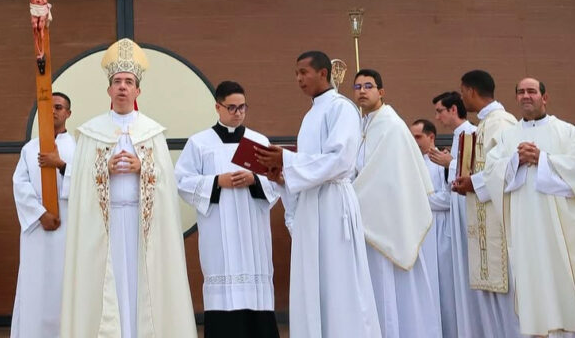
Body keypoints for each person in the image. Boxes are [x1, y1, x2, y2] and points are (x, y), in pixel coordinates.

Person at [61, 38, 196, 338]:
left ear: (138, 90)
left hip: (140, 225)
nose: (123, 86)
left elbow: (165, 182)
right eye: (118, 81)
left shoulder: (152, 132)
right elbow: (79, 184)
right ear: (109, 90)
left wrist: (143, 168)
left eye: (129, 82)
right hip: (104, 228)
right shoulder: (91, 133)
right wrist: (102, 169)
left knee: (140, 285)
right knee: (108, 285)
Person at [254, 51, 380, 338]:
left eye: (304, 72)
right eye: (296, 73)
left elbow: (339, 159)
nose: (298, 79)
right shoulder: (312, 114)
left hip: (334, 205)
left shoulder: (341, 108)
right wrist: (283, 177)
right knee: (313, 280)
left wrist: (286, 161)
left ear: (323, 73)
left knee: (338, 280)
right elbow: (310, 163)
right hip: (312, 204)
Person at [484, 78, 575, 336]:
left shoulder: (566, 131)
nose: (526, 96)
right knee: (536, 284)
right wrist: (515, 161)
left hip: (564, 227)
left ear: (545, 97)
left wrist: (543, 160)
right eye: (520, 92)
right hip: (527, 225)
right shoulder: (506, 137)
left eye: (532, 91)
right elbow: (491, 174)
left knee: (570, 284)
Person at [175, 80, 281, 338]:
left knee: (257, 291)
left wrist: (255, 180)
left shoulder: (258, 141)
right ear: (218, 107)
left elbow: (276, 180)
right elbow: (181, 180)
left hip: (252, 228)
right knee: (222, 290)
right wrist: (216, 182)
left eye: (242, 107)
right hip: (218, 230)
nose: (238, 113)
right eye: (232, 108)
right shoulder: (200, 142)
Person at [350, 69, 438, 338]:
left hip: (388, 219)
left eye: (369, 86)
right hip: (367, 217)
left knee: (391, 283)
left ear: (381, 91)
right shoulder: (361, 124)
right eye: (357, 87)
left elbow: (388, 175)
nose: (362, 91)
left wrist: (351, 196)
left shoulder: (391, 125)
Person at [449, 70, 522, 337]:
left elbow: (510, 168)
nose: (461, 96)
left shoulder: (501, 122)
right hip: (486, 221)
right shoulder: (484, 123)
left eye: (462, 90)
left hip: (501, 226)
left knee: (510, 301)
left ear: (470, 91)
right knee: (492, 302)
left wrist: (474, 184)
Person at [11, 92, 76, 338]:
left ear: (68, 113)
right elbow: (20, 184)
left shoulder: (78, 148)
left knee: (63, 285)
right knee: (34, 285)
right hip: (37, 230)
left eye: (59, 107)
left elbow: (86, 183)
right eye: (49, 107)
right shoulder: (29, 149)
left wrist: (60, 164)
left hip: (67, 226)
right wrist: (40, 214)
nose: (54, 112)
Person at [411, 119, 457, 338]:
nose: (414, 141)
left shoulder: (443, 161)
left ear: (431, 137)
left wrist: (417, 201)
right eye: (411, 137)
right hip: (418, 235)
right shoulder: (409, 161)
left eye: (418, 137)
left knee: (444, 289)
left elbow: (450, 198)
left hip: (440, 233)